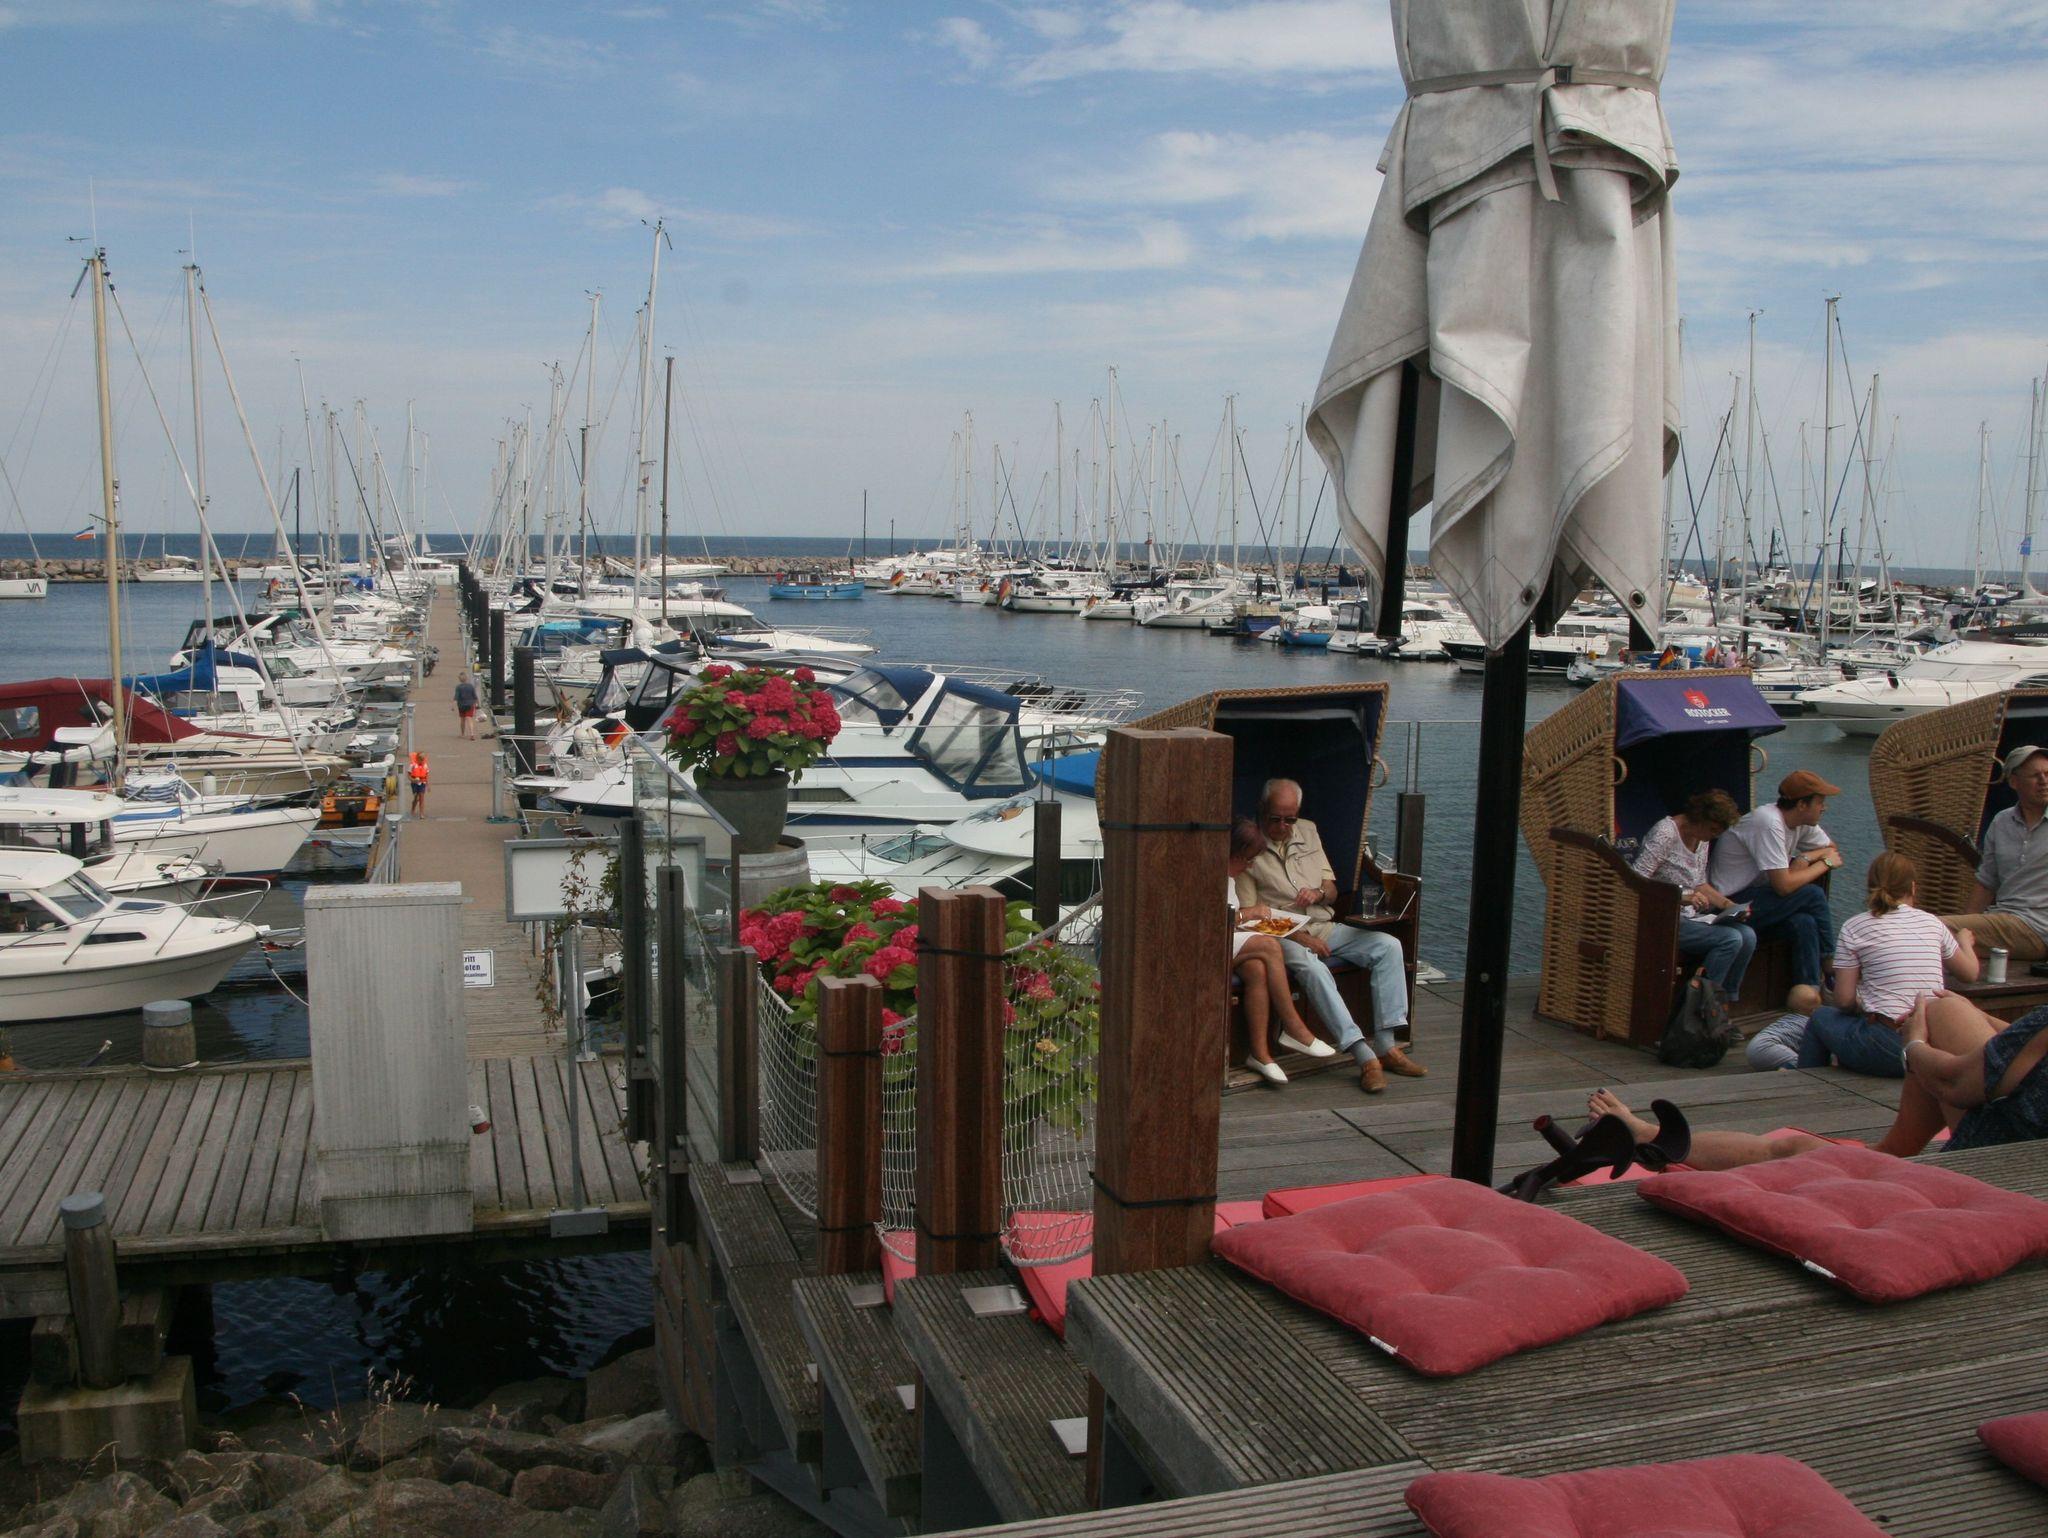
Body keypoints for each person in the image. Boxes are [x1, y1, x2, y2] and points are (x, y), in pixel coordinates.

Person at [1591, 990, 2048, 1166]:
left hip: (2000, 1165)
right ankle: (1892, 1152)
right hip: (2027, 1140)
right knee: (1953, 1011)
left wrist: (1914, 1044)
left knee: (1790, 1150)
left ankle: (1649, 1135)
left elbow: (1956, 1085)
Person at [1234, 778, 1424, 1094]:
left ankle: (1387, 1045)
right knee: (1313, 967)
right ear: (1262, 810)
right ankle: (1364, 1056)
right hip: (1282, 937)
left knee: (1389, 946)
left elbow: (1332, 891)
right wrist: (1300, 937)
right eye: (1275, 819)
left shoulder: (1308, 831)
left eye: (1289, 819)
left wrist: (1319, 893)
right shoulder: (1250, 846)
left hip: (1324, 925)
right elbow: (1252, 916)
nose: (1282, 826)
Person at [1784, 852, 1980, 1077]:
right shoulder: (1933, 923)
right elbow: (1970, 973)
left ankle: (1806, 1083)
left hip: (1888, 1046)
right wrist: (1965, 943)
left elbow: (1843, 1001)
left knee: (1820, 1018)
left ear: (1870, 887)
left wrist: (1863, 1003)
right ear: (1913, 888)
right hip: (1931, 1047)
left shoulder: (1854, 926)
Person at [1707, 768, 1842, 1010]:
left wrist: (1805, 858)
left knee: (1804, 922)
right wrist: (1825, 864)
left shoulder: (1801, 822)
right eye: (1820, 802)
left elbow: (1830, 848)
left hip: (1759, 900)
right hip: (1728, 905)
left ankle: (1809, 997)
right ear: (1802, 805)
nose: (1824, 808)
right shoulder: (1768, 822)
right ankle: (1830, 967)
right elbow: (1783, 886)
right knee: (1812, 894)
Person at [1630, 789, 1756, 999]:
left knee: (1748, 936)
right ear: (1700, 818)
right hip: (1661, 917)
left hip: (1690, 916)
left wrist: (1729, 906)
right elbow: (1635, 881)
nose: (1714, 836)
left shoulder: (1702, 838)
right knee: (1730, 939)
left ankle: (1725, 999)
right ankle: (1701, 1004)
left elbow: (1699, 883)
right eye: (1713, 830)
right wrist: (1681, 898)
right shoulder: (1665, 833)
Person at [1227, 817, 1321, 1086]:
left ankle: (1260, 1054)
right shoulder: (1210, 873)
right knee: (1269, 946)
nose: (1249, 866)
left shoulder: (1231, 878)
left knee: (1257, 969)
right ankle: (1293, 1026)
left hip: (1228, 943)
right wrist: (1249, 914)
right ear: (1233, 854)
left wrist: (1249, 919)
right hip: (1207, 945)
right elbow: (1214, 918)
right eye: (1247, 860)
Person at [1944, 743, 2048, 964]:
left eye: (2047, 774)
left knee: (1929, 928)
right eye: (2035, 776)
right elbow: (1986, 883)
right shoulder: (2001, 822)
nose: (2044, 781)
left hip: (2039, 927)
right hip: (2003, 919)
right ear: (2014, 782)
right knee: (1936, 932)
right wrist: (1966, 925)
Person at [454, 673, 480, 739]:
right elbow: (475, 696)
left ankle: (463, 734)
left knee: (462, 720)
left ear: (459, 679)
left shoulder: (458, 687)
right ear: (466, 678)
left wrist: (453, 706)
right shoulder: (471, 686)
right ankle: (472, 734)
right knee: (469, 719)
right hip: (470, 705)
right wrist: (478, 704)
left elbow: (456, 697)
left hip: (461, 705)